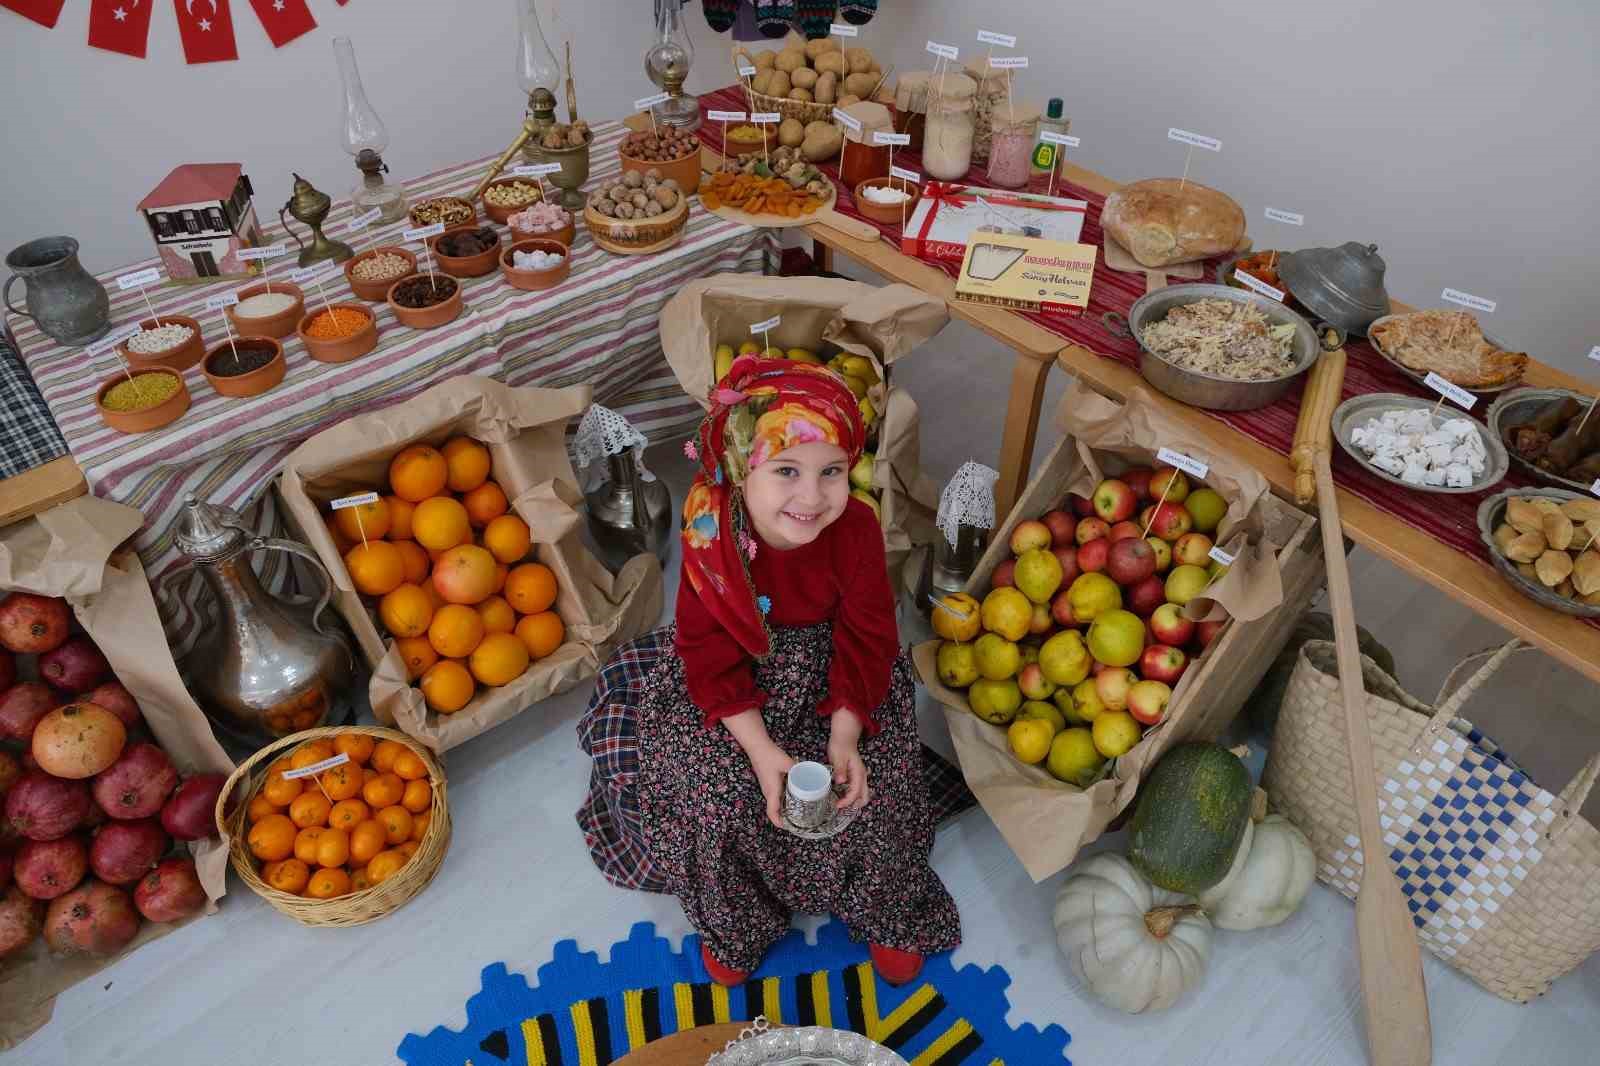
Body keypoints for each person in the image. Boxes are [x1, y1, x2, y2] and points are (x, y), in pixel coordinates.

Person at [577, 355, 960, 988]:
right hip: (734, 679)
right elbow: (705, 651)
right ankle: (739, 922)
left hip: (840, 674)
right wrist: (758, 750)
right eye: (786, 470)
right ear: (739, 467)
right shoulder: (710, 534)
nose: (812, 498)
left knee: (876, 791)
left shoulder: (858, 528)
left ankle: (891, 913)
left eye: (831, 472)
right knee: (718, 798)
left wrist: (845, 734)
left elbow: (868, 636)